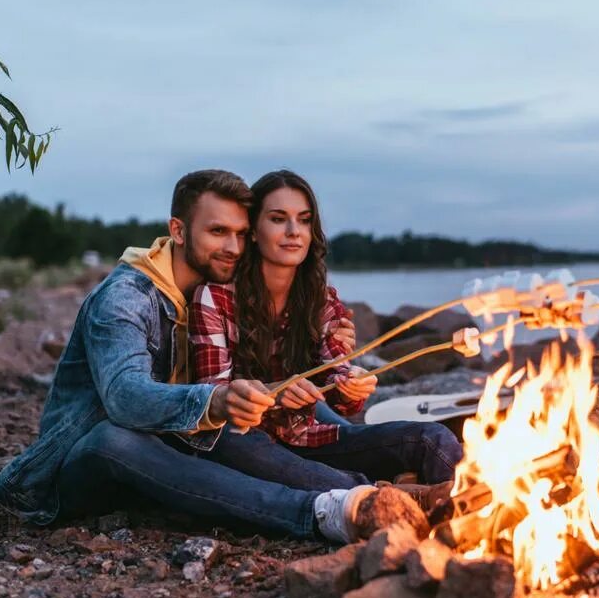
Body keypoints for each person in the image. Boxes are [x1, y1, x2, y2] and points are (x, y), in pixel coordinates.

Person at [0, 169, 422, 543]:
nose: (233, 247)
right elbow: (124, 398)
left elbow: (249, 367)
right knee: (117, 438)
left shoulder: (205, 292)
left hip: (170, 448)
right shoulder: (125, 299)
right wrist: (214, 401)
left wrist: (323, 345)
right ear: (177, 231)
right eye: (217, 232)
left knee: (276, 414)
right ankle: (321, 511)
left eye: (239, 233)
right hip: (78, 467)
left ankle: (390, 486)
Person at [190, 170, 462, 500]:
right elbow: (212, 395)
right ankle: (380, 495)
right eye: (278, 219)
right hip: (247, 441)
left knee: (434, 439)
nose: (293, 232)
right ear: (254, 232)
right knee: (230, 440)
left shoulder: (321, 299)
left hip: (308, 437)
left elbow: (340, 388)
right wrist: (273, 394)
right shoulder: (215, 297)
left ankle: (456, 506)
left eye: (303, 220)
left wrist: (353, 383)